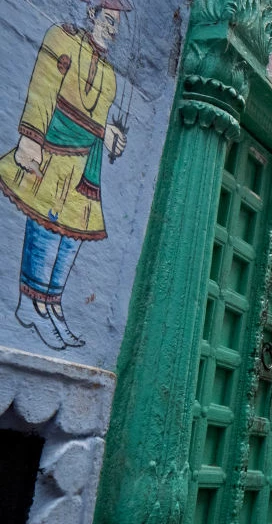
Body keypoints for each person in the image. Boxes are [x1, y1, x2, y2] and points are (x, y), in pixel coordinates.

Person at [0, 0, 132, 350]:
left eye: (117, 25)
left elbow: (95, 118)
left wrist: (108, 136)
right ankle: (32, 303)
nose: (112, 30)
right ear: (92, 15)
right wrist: (30, 137)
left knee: (72, 234)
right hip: (54, 149)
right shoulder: (62, 38)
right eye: (108, 20)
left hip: (85, 164)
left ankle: (52, 304)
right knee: (47, 220)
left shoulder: (109, 77)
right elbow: (44, 89)